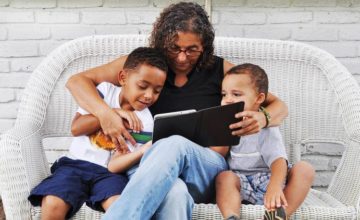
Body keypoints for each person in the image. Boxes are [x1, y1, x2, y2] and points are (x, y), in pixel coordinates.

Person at [65, 2, 313, 220]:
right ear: (162, 41)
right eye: (175, 48)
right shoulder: (146, 67)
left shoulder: (220, 70)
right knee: (175, 193)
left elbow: (279, 106)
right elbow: (77, 81)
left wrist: (264, 116)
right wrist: (105, 114)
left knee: (173, 143)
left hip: (206, 168)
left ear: (204, 46)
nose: (183, 57)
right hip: (149, 169)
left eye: (192, 49)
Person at [28, 47, 168, 219]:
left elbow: (115, 165)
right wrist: (113, 112)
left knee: (120, 207)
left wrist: (143, 150)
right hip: (75, 166)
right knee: (53, 202)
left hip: (110, 175)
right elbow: (77, 128)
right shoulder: (104, 91)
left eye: (157, 91)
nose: (148, 96)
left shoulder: (145, 121)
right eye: (143, 86)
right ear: (123, 78)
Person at [216, 64, 314, 220]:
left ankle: (278, 215)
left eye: (236, 94)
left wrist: (275, 187)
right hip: (241, 181)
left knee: (305, 169)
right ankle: (231, 216)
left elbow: (278, 161)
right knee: (224, 177)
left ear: (259, 99)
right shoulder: (227, 124)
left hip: (270, 179)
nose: (228, 100)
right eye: (224, 94)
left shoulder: (266, 127)